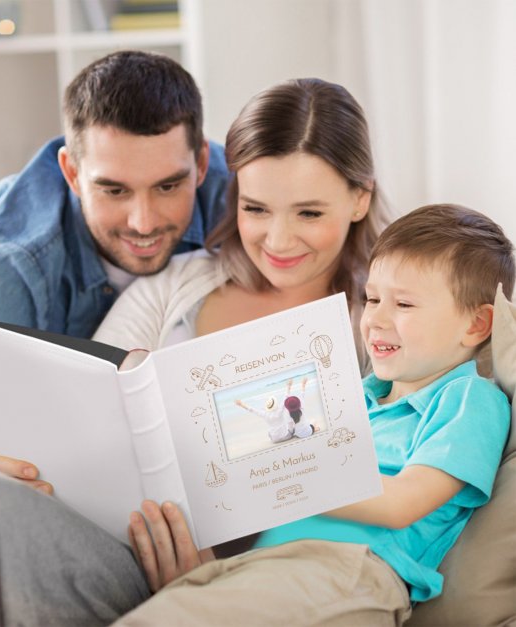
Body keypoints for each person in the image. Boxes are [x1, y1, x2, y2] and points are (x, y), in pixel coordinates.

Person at [0, 77, 390, 626]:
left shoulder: (379, 325)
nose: (277, 239)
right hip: (104, 545)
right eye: (256, 209)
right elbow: (78, 407)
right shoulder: (179, 282)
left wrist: (210, 577)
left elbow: (367, 495)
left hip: (246, 580)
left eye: (309, 214)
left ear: (359, 198)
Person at [111, 204, 513, 626]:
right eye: (372, 298)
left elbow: (402, 503)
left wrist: (284, 466)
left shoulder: (470, 399)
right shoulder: (353, 394)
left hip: (350, 571)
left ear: (476, 325)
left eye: (405, 304)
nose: (375, 318)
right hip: (263, 565)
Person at [0, 50, 229, 497]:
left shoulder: (244, 201)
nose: (143, 222)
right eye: (113, 190)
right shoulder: (2, 263)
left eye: (168, 186)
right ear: (71, 172)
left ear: (201, 163)